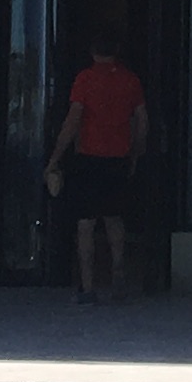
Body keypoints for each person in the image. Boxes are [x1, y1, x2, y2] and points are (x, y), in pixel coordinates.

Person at [48, 37, 147, 303]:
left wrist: (55, 158)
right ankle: (118, 277)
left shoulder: (85, 79)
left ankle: (88, 286)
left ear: (92, 51)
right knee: (115, 219)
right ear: (117, 50)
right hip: (119, 157)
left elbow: (73, 120)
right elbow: (142, 120)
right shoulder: (130, 81)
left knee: (86, 223)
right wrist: (136, 154)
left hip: (89, 158)